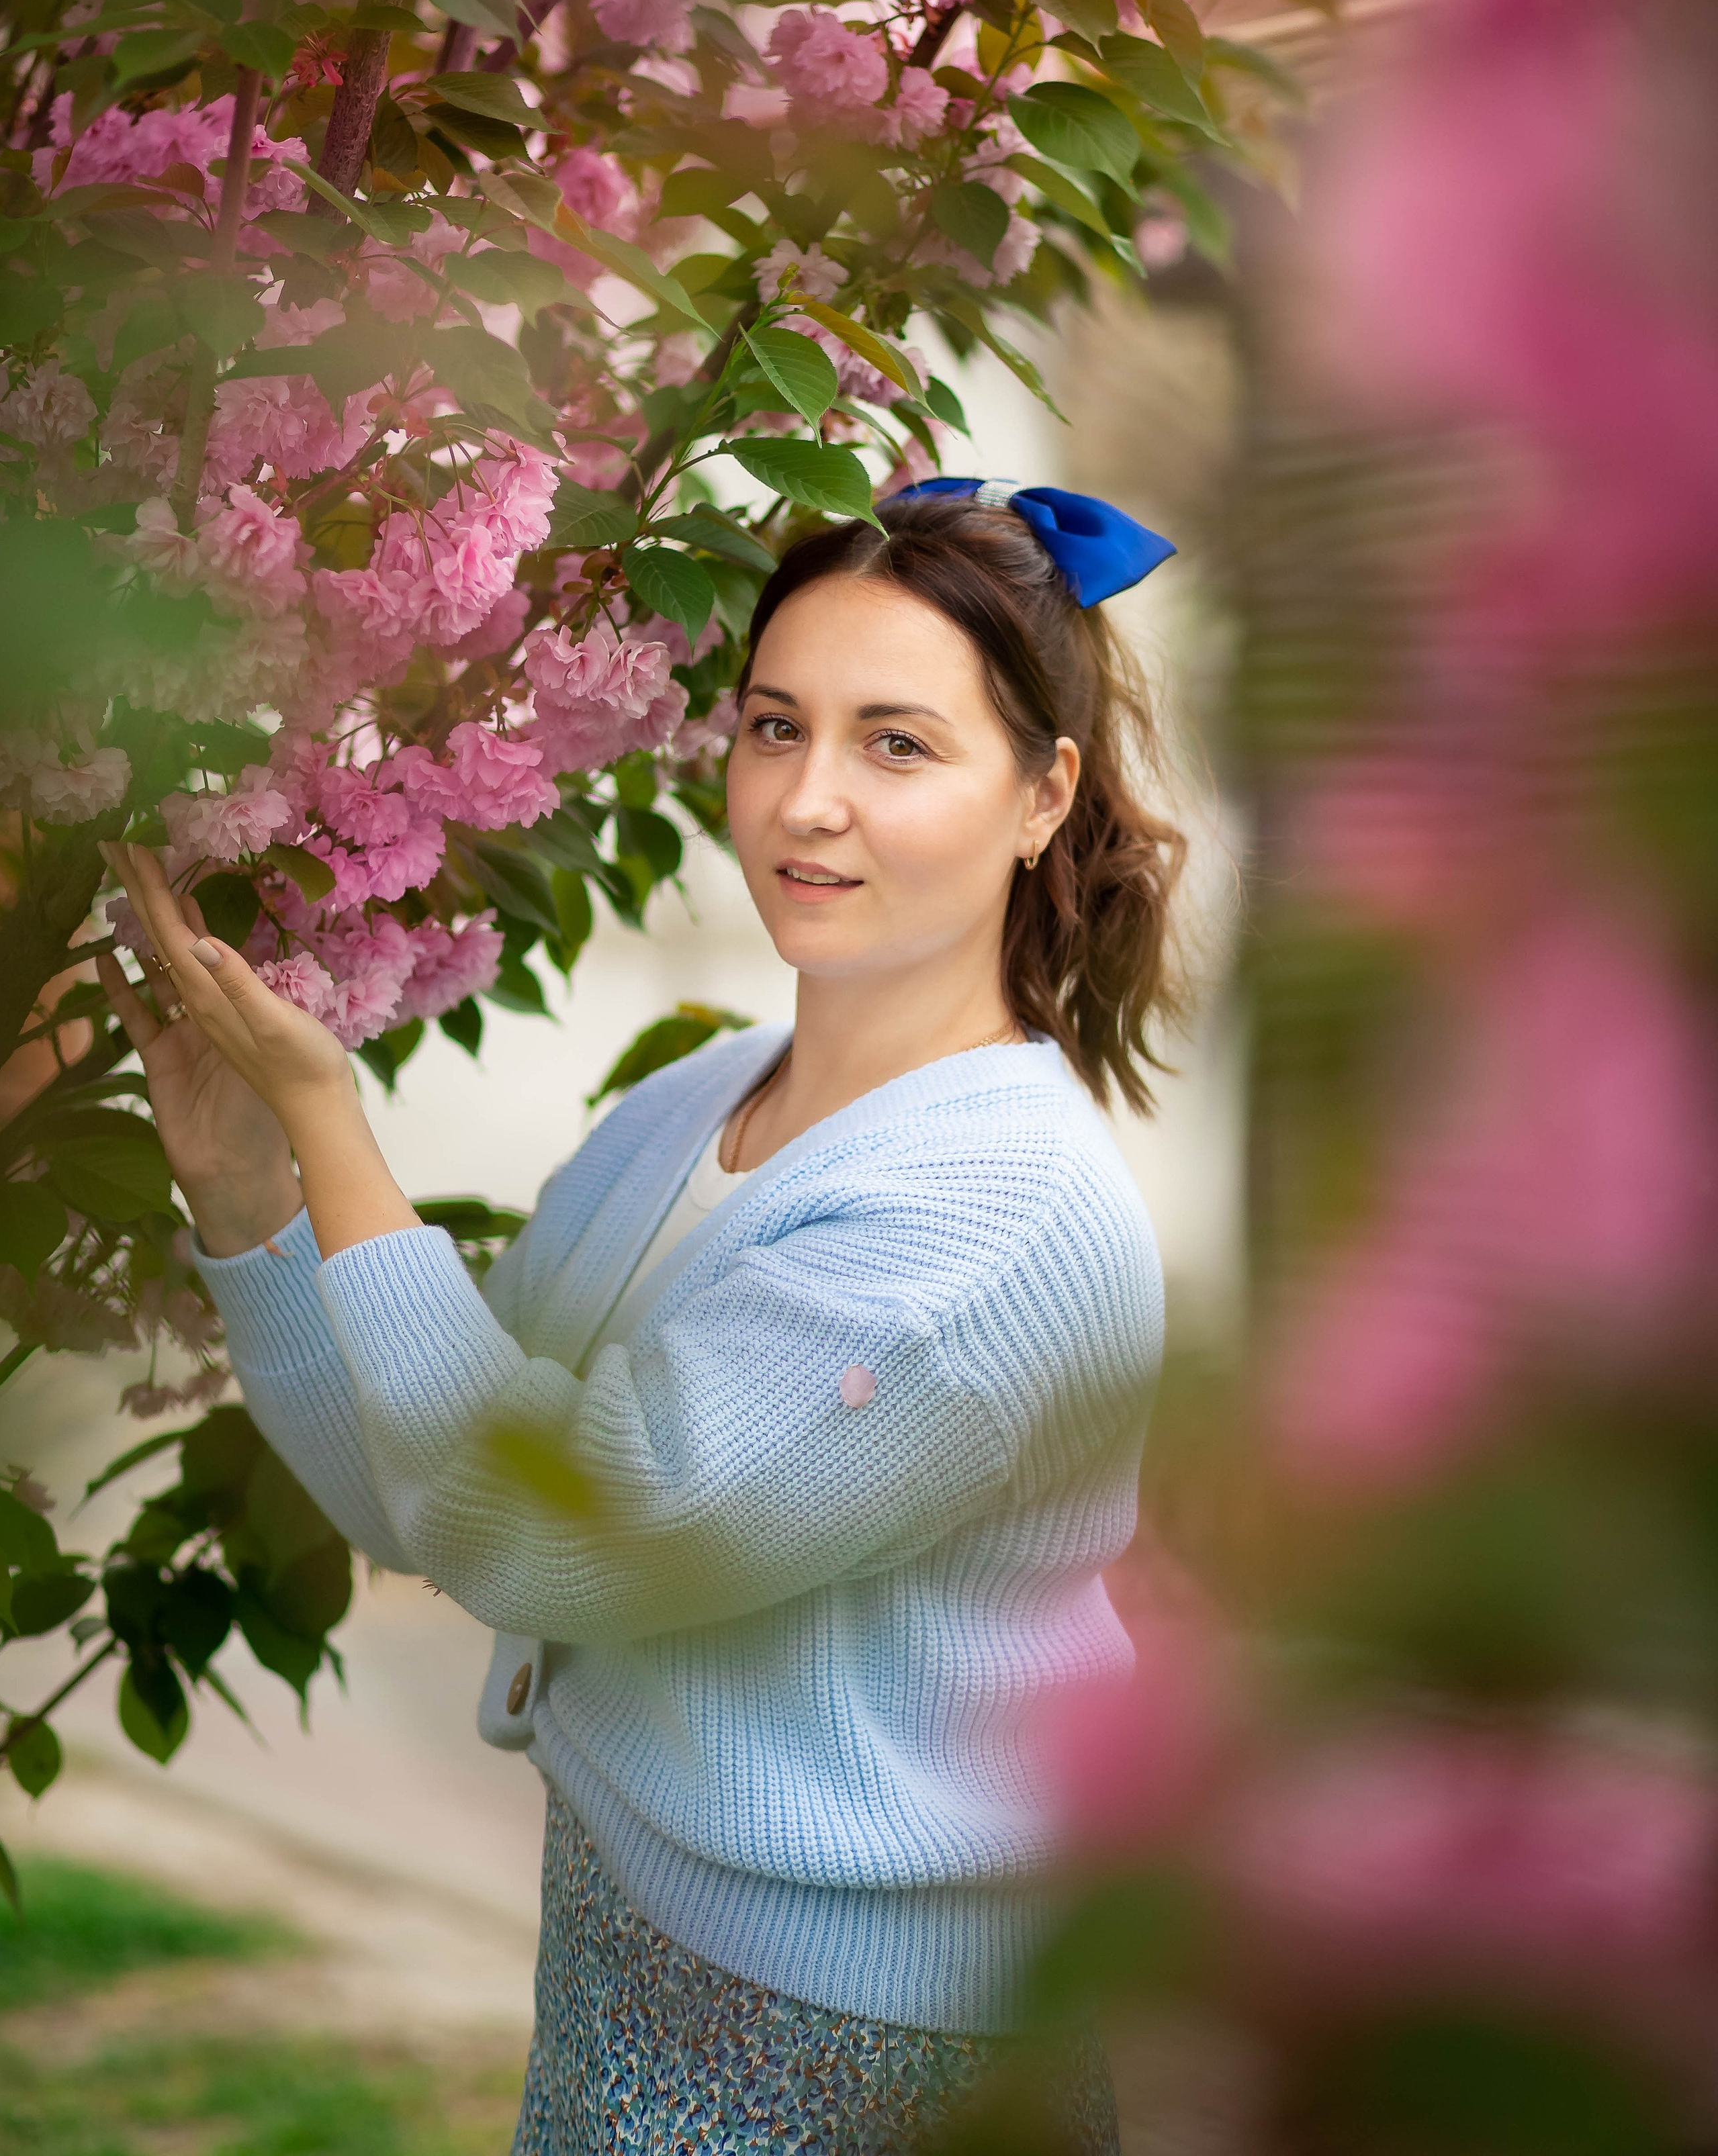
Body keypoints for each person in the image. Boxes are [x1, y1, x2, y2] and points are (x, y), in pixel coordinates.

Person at [99, 479, 1185, 2155]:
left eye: (897, 745)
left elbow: (571, 1542)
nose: (806, 803)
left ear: (1043, 794)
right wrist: (250, 1201)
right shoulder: (696, 1106)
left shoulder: (990, 1220)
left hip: (864, 2041)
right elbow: (443, 1489)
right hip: (629, 1942)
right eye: (774, 726)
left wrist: (332, 1124)